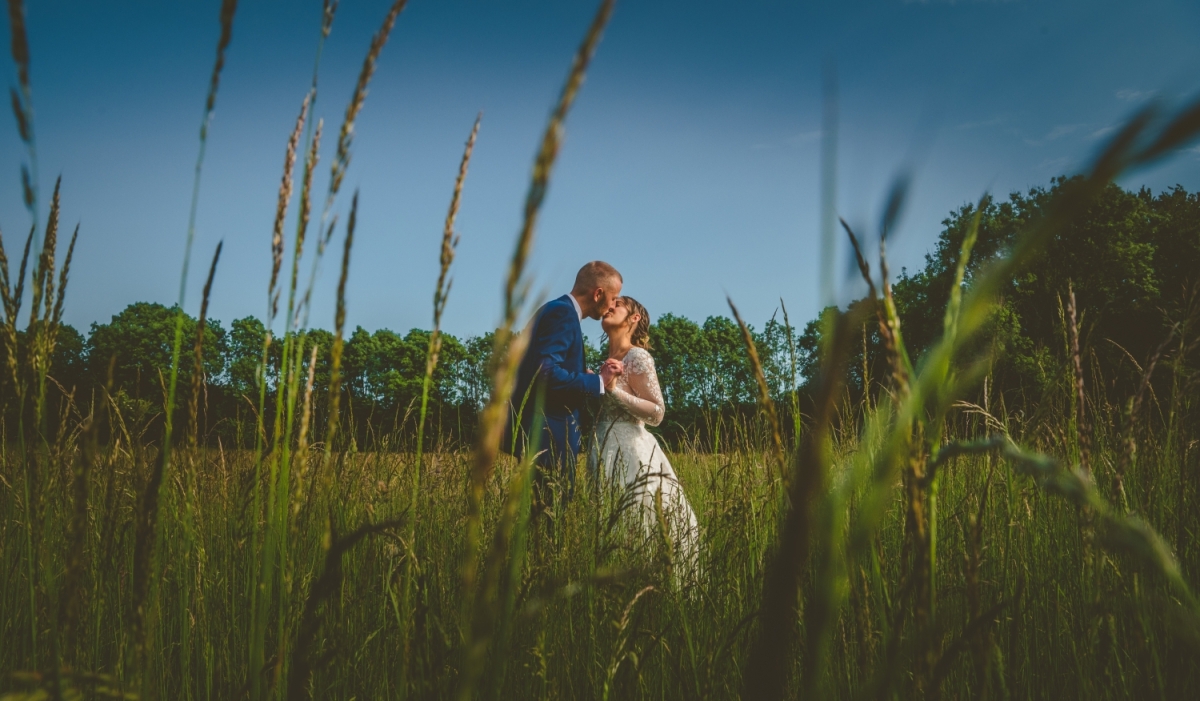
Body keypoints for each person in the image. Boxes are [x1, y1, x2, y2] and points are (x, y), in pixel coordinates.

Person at [589, 296, 700, 575]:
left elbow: (657, 412)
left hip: (632, 452)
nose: (609, 306)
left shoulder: (637, 356)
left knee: (639, 522)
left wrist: (613, 389)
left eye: (619, 304)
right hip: (601, 450)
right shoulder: (606, 362)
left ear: (634, 319)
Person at [506, 261, 624, 511]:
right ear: (598, 293)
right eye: (613, 298)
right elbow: (545, 372)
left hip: (541, 434)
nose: (613, 305)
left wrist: (580, 374)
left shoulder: (553, 309)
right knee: (548, 519)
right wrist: (597, 381)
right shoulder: (563, 314)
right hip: (549, 438)